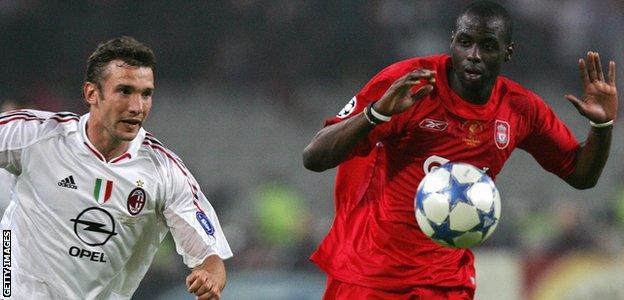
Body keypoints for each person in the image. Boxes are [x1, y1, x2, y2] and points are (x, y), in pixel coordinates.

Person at [302, 1, 617, 299]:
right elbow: (314, 156)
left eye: (488, 45)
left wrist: (602, 127)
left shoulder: (521, 109)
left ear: (508, 52)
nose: (474, 55)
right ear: (452, 41)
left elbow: (581, 174)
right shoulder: (410, 83)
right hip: (369, 273)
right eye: (465, 42)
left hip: (446, 282)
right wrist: (377, 113)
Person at [0, 36, 232, 299]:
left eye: (146, 94)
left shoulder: (165, 172)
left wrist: (209, 279)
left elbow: (210, 258)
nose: (137, 107)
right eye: (124, 91)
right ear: (91, 93)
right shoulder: (37, 136)